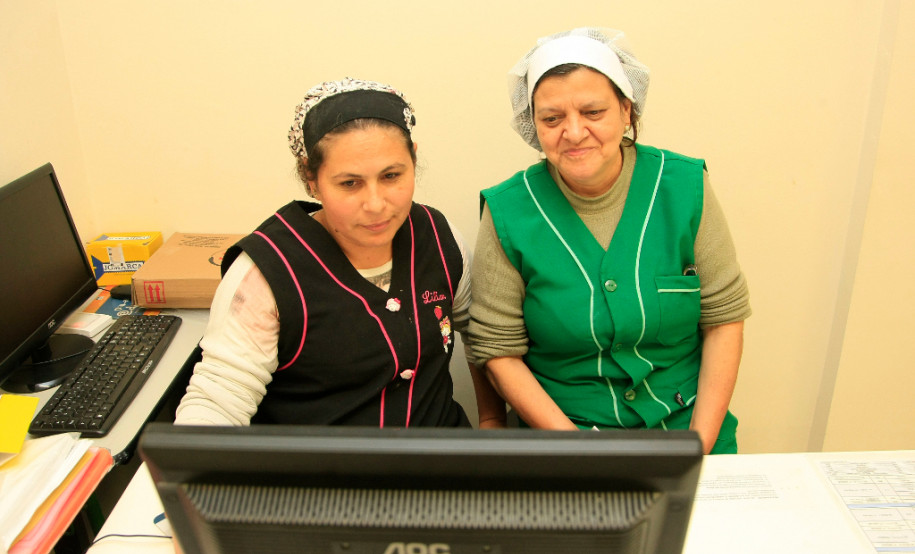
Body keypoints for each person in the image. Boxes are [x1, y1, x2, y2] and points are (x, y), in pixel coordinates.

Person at [468, 28, 751, 453]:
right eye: (552, 118)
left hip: (689, 426)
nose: (574, 132)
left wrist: (699, 446)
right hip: (562, 436)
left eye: (593, 112)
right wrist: (578, 452)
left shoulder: (683, 187)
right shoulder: (508, 211)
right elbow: (498, 352)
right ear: (534, 126)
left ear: (626, 110)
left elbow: (723, 320)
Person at [176, 77, 506, 429]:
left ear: (413, 160)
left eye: (392, 176)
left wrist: (490, 420)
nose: (376, 204)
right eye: (350, 183)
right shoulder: (266, 274)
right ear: (311, 178)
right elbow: (217, 402)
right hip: (324, 477)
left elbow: (478, 334)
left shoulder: (440, 239)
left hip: (440, 464)